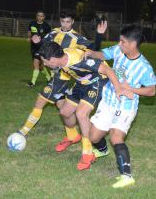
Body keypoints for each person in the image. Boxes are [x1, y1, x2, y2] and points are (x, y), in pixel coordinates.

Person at [18, 11, 107, 154]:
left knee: (41, 100)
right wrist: (37, 41)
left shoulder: (77, 38)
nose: (65, 24)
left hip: (63, 77)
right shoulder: (53, 33)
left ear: (72, 22)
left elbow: (93, 49)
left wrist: (99, 35)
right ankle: (72, 136)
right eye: (63, 21)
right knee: (63, 109)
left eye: (68, 22)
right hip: (58, 73)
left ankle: (22, 132)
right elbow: (44, 46)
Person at [83, 25, 156, 188]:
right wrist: (91, 53)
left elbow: (152, 91)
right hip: (108, 100)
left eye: (123, 41)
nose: (119, 43)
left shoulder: (144, 66)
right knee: (93, 137)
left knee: (116, 137)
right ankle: (102, 150)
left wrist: (128, 88)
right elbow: (103, 54)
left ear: (133, 44)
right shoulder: (118, 50)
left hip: (126, 106)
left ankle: (127, 176)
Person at [40, 42, 133, 171]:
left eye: (45, 61)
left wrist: (118, 89)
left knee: (81, 114)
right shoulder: (63, 56)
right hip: (81, 83)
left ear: (54, 59)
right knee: (65, 112)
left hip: (97, 82)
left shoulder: (81, 60)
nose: (44, 64)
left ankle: (87, 153)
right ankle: (72, 136)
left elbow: (108, 70)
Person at [27, 11, 52, 87]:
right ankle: (49, 78)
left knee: (36, 63)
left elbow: (50, 37)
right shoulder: (32, 23)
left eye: (41, 16)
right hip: (33, 47)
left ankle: (32, 82)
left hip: (42, 47)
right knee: (40, 66)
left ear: (44, 17)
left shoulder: (46, 26)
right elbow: (29, 32)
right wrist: (29, 37)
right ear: (36, 16)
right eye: (38, 15)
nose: (40, 17)